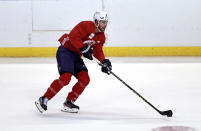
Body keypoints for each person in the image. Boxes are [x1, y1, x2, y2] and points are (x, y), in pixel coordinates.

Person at [35, 11, 112, 113]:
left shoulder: (101, 37)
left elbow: (97, 52)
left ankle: (68, 102)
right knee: (65, 78)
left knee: (85, 79)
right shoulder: (85, 25)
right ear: (96, 21)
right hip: (66, 51)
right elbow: (73, 36)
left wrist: (103, 62)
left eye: (106, 22)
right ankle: (43, 99)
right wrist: (83, 48)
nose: (104, 24)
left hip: (76, 56)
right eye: (102, 22)